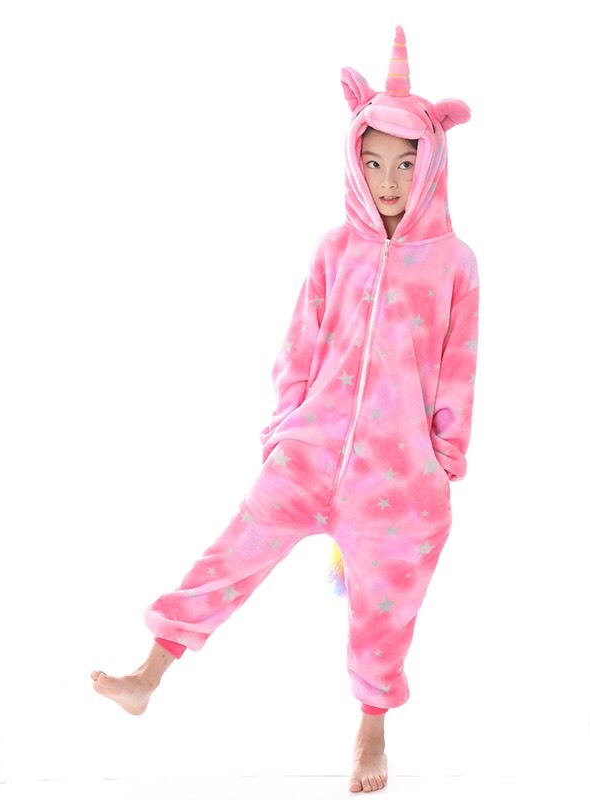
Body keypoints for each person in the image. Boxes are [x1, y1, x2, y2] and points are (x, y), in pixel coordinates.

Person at [92, 25, 479, 794]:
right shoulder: (335, 249)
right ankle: (147, 675)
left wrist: (444, 461)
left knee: (386, 610)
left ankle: (371, 731)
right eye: (374, 162)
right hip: (310, 450)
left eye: (405, 164)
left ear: (431, 164)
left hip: (398, 477)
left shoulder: (454, 265)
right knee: (231, 551)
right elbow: (298, 345)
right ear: (354, 162)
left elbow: (458, 369)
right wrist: (282, 429)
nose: (388, 180)